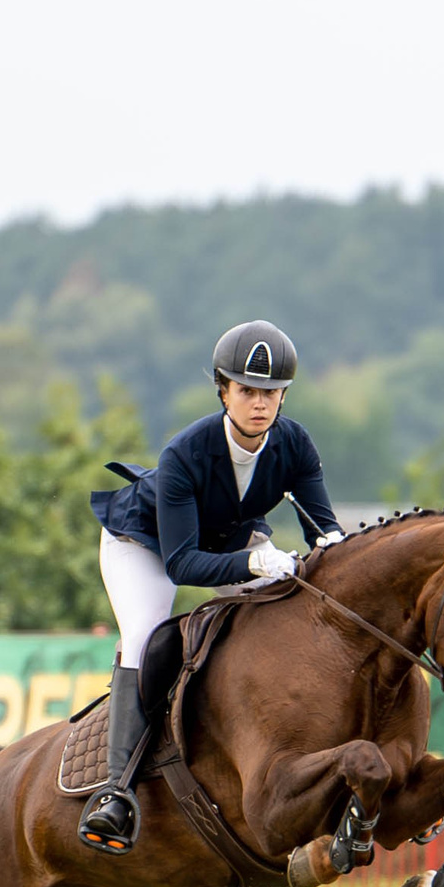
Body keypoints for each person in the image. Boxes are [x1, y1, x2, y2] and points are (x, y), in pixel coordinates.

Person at [79, 319, 345, 851]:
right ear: (223, 391)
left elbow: (327, 533)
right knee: (145, 638)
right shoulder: (185, 453)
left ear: (284, 396)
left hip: (229, 542)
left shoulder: (294, 444)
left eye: (271, 392)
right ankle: (116, 793)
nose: (259, 403)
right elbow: (182, 565)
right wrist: (254, 566)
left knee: (284, 618)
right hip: (146, 545)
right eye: (247, 390)